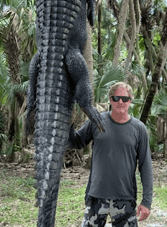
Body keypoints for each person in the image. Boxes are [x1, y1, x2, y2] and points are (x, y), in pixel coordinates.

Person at [68, 82, 153, 227]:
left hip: (125, 198)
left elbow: (146, 167)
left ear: (130, 101)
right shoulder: (96, 121)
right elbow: (77, 142)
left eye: (125, 99)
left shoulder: (139, 129)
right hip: (96, 196)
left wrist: (146, 202)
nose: (120, 102)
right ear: (110, 100)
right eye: (116, 98)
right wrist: (65, 122)